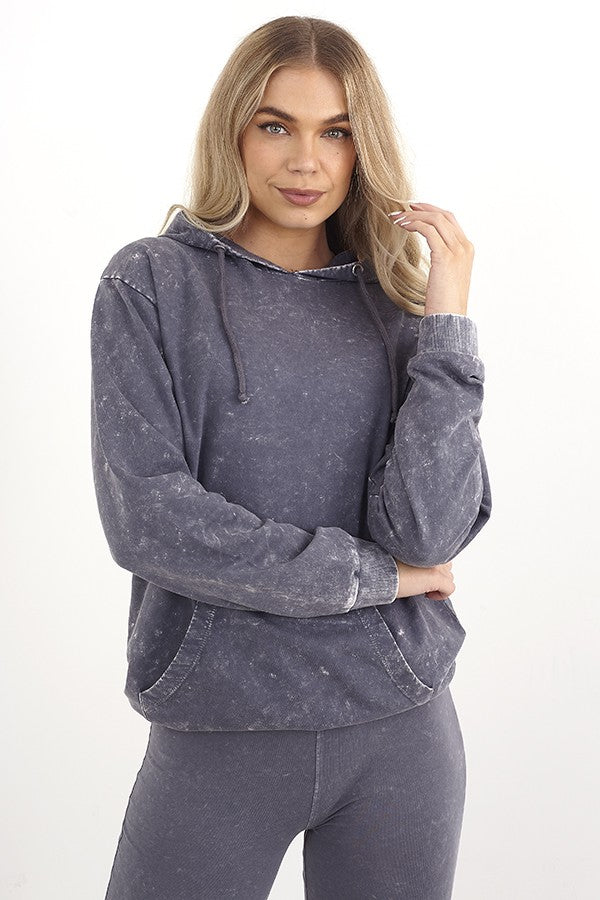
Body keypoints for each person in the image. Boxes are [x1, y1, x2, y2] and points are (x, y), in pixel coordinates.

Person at [90, 15, 492, 900]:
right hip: (220, 729)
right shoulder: (151, 284)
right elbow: (149, 521)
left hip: (402, 730)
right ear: (233, 131)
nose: (306, 161)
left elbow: (428, 535)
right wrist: (371, 578)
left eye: (336, 132)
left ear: (362, 150)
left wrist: (446, 325)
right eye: (276, 125)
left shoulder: (397, 308)